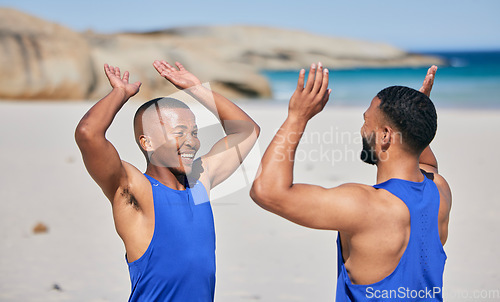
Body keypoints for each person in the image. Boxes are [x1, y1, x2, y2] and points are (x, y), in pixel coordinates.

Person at [250, 63, 451, 301]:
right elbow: (427, 165)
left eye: (367, 121)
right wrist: (415, 119)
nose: (362, 129)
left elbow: (266, 191)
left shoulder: (363, 205)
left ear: (385, 135)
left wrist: (297, 117)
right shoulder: (439, 190)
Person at [75, 60, 260, 301]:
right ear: (147, 143)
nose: (192, 141)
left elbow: (247, 131)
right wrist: (119, 94)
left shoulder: (199, 180)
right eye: (179, 132)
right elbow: (88, 134)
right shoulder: (133, 188)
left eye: (194, 132)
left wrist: (197, 89)